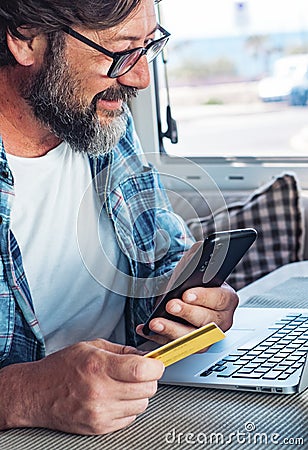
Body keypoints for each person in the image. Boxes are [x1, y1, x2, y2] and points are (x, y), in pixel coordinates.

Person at [0, 0, 239, 436]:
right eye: (121, 51)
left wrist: (195, 305)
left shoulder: (100, 119)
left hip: (144, 404)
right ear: (25, 38)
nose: (140, 78)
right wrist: (27, 393)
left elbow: (160, 258)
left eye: (149, 46)